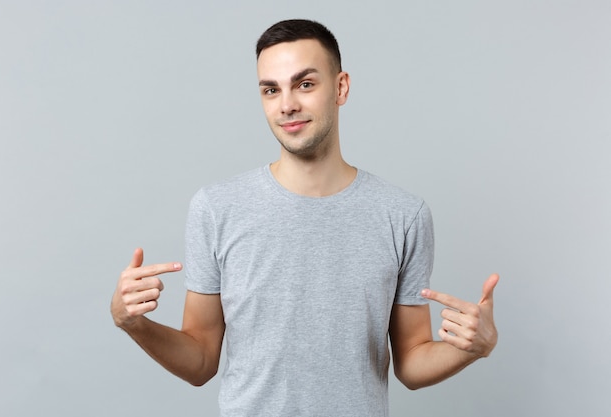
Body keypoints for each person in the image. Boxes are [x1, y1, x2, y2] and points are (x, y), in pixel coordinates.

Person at [110, 19, 498, 417]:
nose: (287, 104)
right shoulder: (216, 207)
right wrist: (132, 323)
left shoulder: (403, 215)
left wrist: (470, 348)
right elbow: (201, 361)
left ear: (341, 87)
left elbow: (412, 363)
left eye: (305, 84)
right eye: (271, 89)